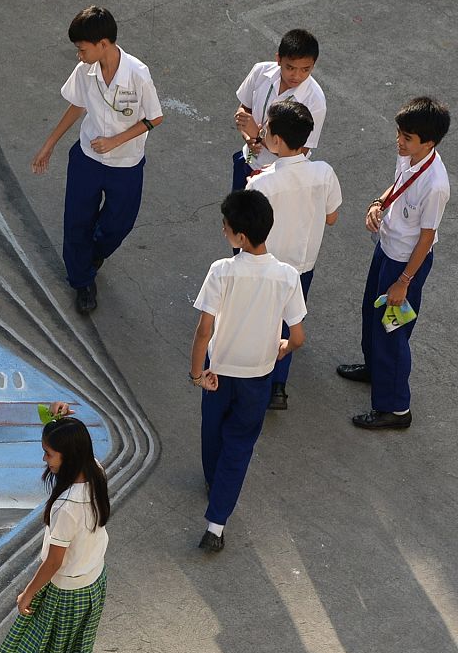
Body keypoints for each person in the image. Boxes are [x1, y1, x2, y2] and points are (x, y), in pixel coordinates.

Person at [191, 190, 306, 551]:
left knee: (213, 433)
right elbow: (298, 336)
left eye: (225, 226)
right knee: (239, 447)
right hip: (258, 377)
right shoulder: (287, 276)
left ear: (239, 237)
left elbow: (204, 330)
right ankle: (216, 525)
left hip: (218, 372)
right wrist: (281, 349)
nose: (223, 230)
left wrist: (197, 374)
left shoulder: (222, 271)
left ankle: (213, 479)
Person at [31, 5, 165, 314]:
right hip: (87, 160)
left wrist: (116, 140)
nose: (79, 55)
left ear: (103, 43)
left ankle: (94, 253)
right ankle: (82, 281)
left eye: (82, 49)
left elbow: (155, 118)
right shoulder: (84, 71)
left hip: (126, 164)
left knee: (119, 224)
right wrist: (49, 144)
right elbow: (77, 107)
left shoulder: (137, 74)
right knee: (76, 222)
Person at [0, 407, 110, 653]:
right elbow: (73, 442)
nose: (45, 459)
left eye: (49, 453)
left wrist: (27, 592)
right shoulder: (96, 472)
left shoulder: (67, 507)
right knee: (73, 646)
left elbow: (54, 561)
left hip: (65, 589)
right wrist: (55, 420)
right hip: (93, 580)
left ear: (68, 455)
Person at [337, 96, 451, 430]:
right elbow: (398, 186)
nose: (398, 141)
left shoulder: (435, 185)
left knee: (392, 330)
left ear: (428, 142)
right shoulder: (410, 156)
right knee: (371, 316)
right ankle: (376, 370)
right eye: (399, 133)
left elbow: (427, 237)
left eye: (407, 137)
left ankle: (396, 408)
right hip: (387, 249)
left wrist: (403, 281)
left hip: (405, 266)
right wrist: (378, 203)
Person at [246, 100, 341, 409]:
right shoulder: (323, 172)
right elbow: (331, 217)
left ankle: (256, 380)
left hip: (267, 266)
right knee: (290, 321)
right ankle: (278, 388)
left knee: (261, 322)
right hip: (303, 266)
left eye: (266, 127)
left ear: (276, 140)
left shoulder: (261, 183)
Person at [231, 28, 325, 192]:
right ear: (278, 59)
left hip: (278, 181)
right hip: (248, 161)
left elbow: (299, 153)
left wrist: (259, 137)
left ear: (313, 66)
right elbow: (244, 109)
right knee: (235, 215)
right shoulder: (260, 72)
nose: (296, 76)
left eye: (305, 69)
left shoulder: (315, 101)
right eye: (290, 67)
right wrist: (248, 136)